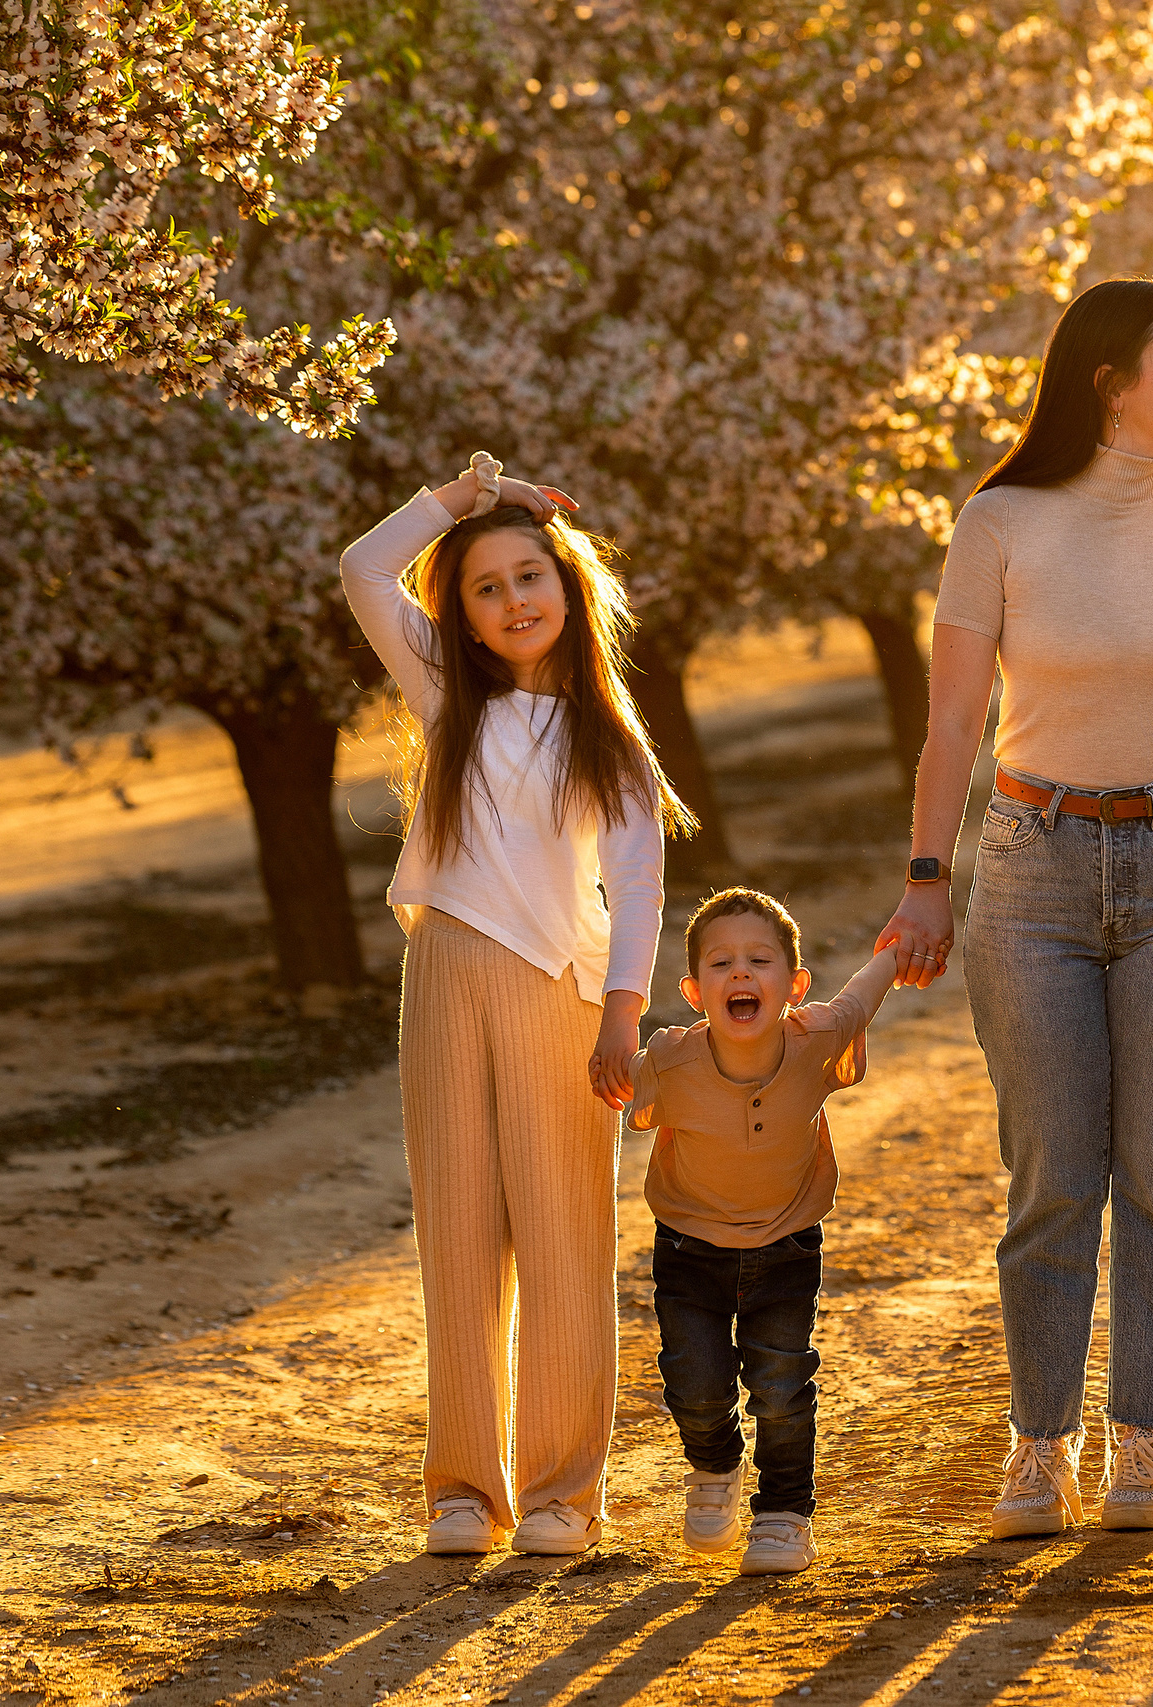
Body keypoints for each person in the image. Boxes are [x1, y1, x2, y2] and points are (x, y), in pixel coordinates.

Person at [879, 277, 1153, 1540]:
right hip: (1032, 870)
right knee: (1053, 1174)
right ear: (1110, 381)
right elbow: (953, 724)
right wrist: (925, 879)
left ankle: (1152, 1438)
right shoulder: (1001, 522)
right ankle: (1038, 1448)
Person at [340, 454, 693, 1557]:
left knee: (564, 1237)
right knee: (457, 1232)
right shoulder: (447, 696)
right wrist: (457, 501)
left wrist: (622, 1015)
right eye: (485, 587)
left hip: (566, 993)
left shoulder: (613, 741)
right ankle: (461, 1491)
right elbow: (361, 569)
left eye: (528, 574)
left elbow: (638, 889)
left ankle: (559, 1495)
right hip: (446, 971)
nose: (512, 600)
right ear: (464, 616)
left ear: (567, 584)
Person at [629, 888, 900, 1574]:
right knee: (694, 1383)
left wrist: (898, 948)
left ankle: (783, 1513)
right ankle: (714, 1465)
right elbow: (613, 1087)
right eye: (721, 963)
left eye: (759, 960)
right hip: (689, 1248)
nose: (741, 973)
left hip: (786, 1247)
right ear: (695, 989)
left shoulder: (816, 1040)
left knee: (782, 1385)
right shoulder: (669, 1058)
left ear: (793, 984)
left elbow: (863, 997)